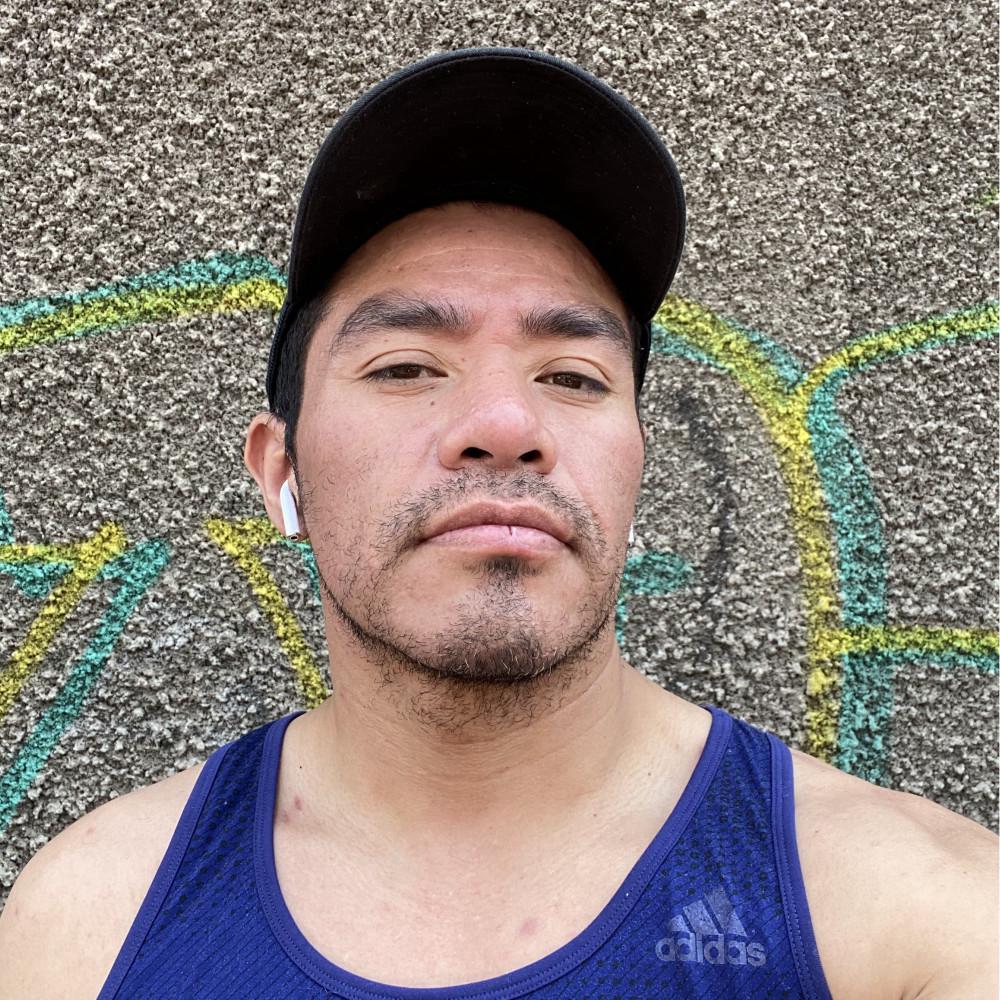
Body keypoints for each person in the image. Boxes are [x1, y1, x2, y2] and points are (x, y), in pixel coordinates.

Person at [0, 48, 995, 1000]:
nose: (507, 426)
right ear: (280, 469)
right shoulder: (87, 926)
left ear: (638, 463)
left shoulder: (916, 920)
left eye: (573, 377)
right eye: (405, 367)